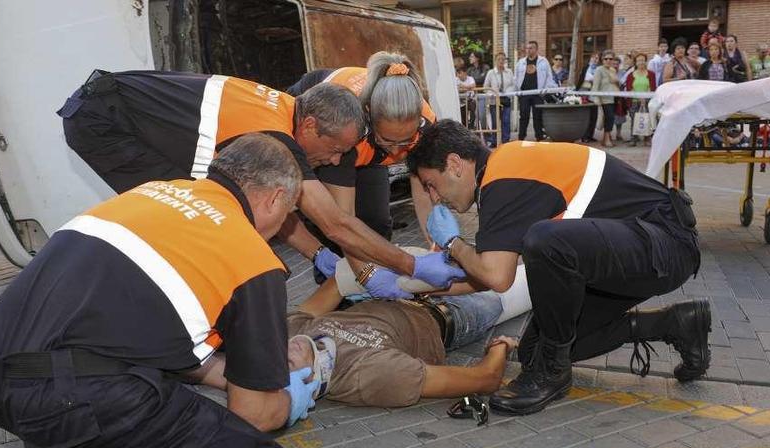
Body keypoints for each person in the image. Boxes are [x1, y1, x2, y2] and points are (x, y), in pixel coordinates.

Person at [0, 135, 317, 448]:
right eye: (288, 216)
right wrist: (291, 396)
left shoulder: (150, 193)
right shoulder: (252, 259)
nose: (281, 232)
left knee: (173, 423)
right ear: (275, 199)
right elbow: (254, 414)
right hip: (69, 404)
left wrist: (241, 375)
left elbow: (154, 338)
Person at [61, 70, 460, 300]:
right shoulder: (273, 136)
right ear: (309, 127)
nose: (337, 161)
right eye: (335, 150)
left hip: (120, 111)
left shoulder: (289, 112)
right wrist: (410, 264)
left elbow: (295, 206)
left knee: (218, 204)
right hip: (104, 120)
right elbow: (337, 221)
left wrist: (318, 253)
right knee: (189, 213)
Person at [408, 120, 710, 416]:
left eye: (431, 185)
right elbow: (487, 275)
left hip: (667, 243)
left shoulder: (502, 179)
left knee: (546, 242)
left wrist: (453, 243)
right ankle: (677, 324)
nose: (434, 198)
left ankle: (551, 376)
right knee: (533, 352)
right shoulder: (503, 172)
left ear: (455, 164)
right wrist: (414, 284)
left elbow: (496, 277)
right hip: (639, 249)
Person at [209, 277, 522, 408]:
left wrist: (368, 269)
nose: (286, 349)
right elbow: (485, 379)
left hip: (399, 287)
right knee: (512, 280)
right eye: (289, 362)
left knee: (495, 258)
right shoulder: (369, 376)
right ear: (309, 383)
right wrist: (500, 348)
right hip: (450, 314)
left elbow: (337, 283)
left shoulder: (293, 336)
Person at [284, 52, 442, 248]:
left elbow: (424, 191)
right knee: (334, 235)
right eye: (387, 140)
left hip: (366, 142)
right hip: (324, 126)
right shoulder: (347, 134)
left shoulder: (427, 128)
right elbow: (342, 222)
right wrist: (386, 268)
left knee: (377, 223)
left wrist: (437, 246)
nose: (394, 152)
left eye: (405, 141)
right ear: (369, 116)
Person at [514, 41, 557, 141]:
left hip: (538, 94)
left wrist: (544, 91)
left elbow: (548, 77)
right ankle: (521, 138)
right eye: (527, 48)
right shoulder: (521, 62)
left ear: (536, 49)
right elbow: (515, 78)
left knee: (538, 116)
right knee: (523, 116)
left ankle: (539, 137)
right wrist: (518, 91)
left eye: (531, 48)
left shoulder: (543, 61)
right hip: (524, 94)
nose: (528, 50)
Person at [624, 52, 656, 146]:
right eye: (639, 60)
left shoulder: (651, 74)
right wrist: (639, 98)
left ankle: (647, 138)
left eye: (643, 60)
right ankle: (633, 139)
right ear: (635, 62)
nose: (641, 62)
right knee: (634, 120)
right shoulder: (631, 75)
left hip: (647, 101)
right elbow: (630, 88)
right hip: (634, 101)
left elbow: (652, 87)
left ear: (645, 62)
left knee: (647, 119)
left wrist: (645, 98)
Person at [483, 52, 515, 145]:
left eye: (503, 59)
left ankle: (506, 141)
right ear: (495, 61)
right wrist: (492, 93)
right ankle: (494, 141)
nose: (501, 61)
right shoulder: (491, 73)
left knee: (506, 121)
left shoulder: (509, 72)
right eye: (499, 59)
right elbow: (486, 87)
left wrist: (508, 92)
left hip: (506, 99)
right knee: (495, 121)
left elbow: (513, 85)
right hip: (494, 100)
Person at [592, 50, 619, 148]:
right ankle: (607, 139)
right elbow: (595, 85)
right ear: (602, 60)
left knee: (610, 119)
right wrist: (596, 99)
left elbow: (616, 83)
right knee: (609, 118)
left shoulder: (613, 70)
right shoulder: (599, 70)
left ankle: (606, 138)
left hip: (613, 98)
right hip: (603, 99)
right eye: (606, 59)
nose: (608, 60)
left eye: (610, 59)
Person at [577, 52, 600, 143]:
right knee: (586, 115)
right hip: (584, 93)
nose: (595, 59)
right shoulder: (585, 68)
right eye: (594, 57)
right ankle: (584, 136)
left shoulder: (599, 69)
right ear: (590, 58)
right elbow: (581, 79)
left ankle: (590, 135)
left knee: (594, 115)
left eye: (597, 58)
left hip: (594, 93)